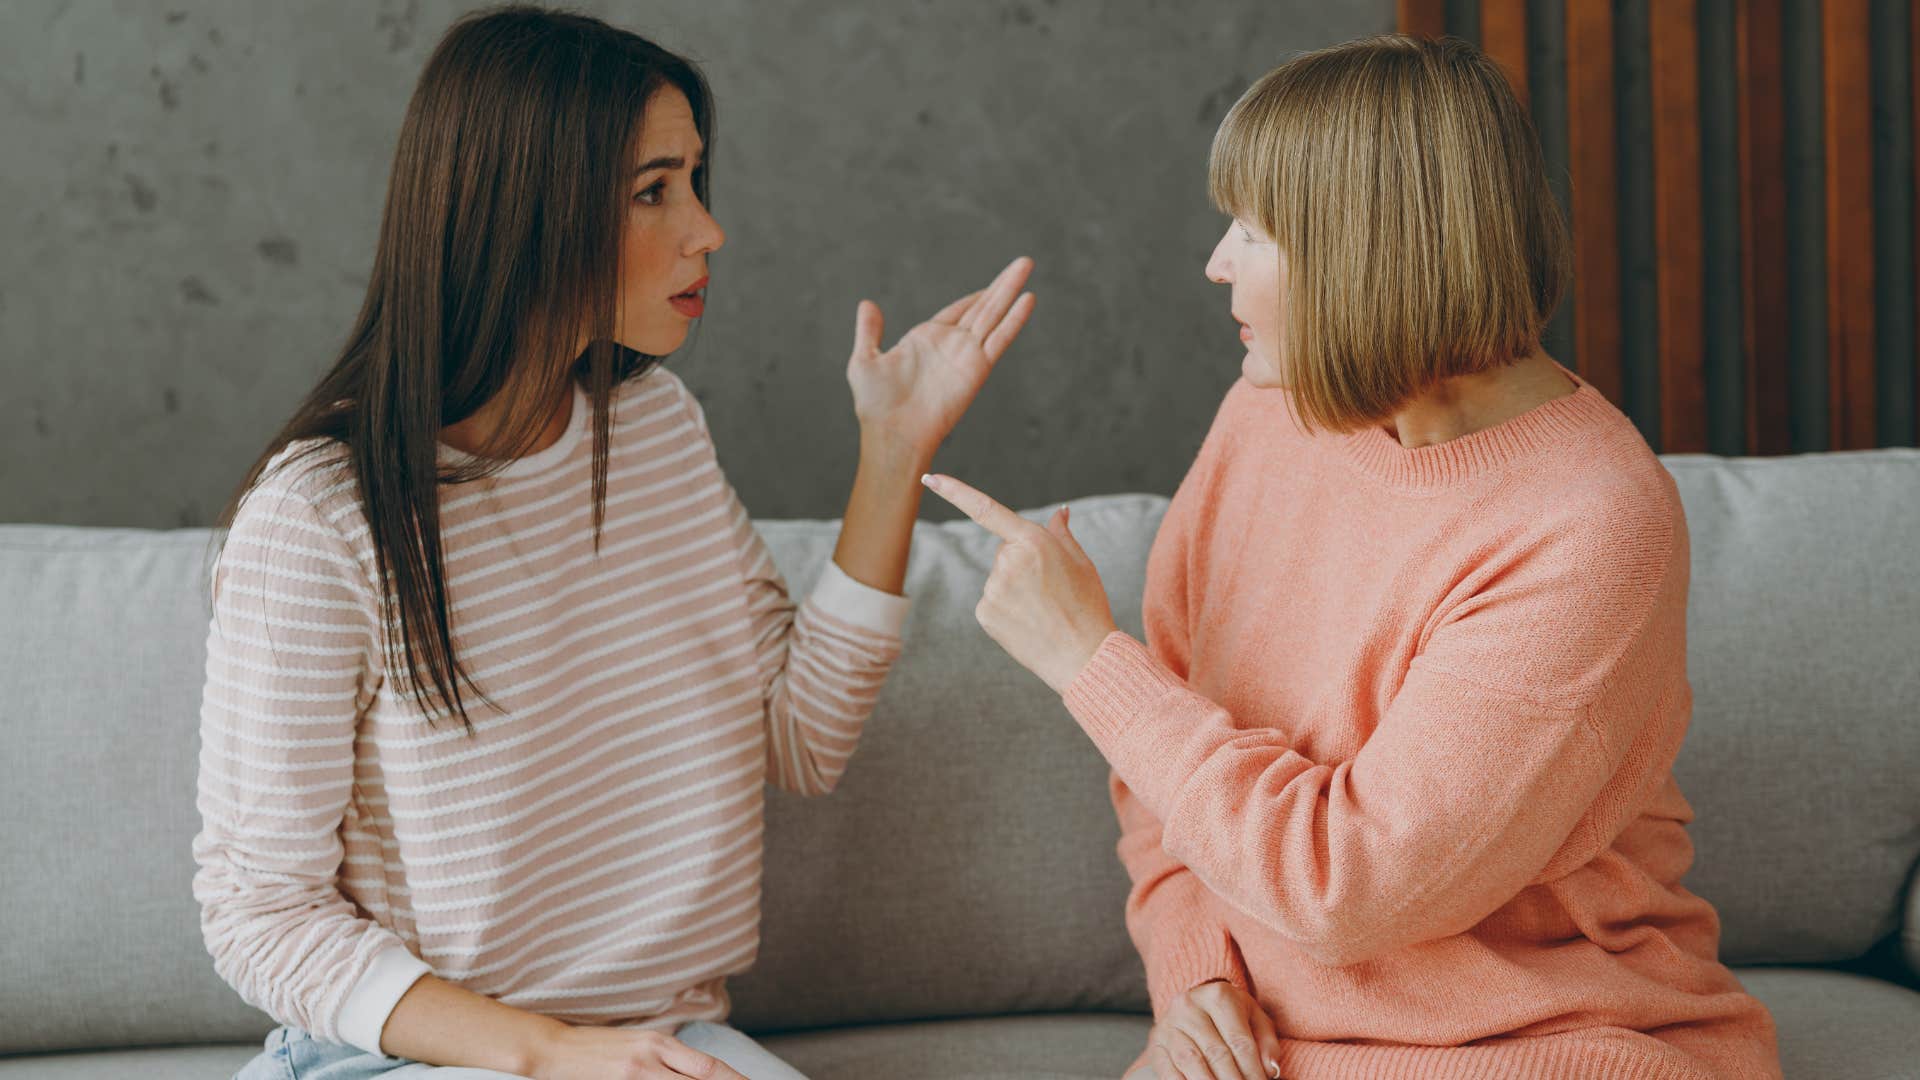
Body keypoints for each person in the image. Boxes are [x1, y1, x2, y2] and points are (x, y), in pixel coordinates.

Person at [924, 33, 1783, 1080]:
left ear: (1365, 247)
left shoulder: (1592, 524)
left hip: (1545, 1048)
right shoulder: (1268, 416)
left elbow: (1349, 887)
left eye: (1254, 229)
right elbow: (1162, 772)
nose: (1216, 263)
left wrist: (1086, 662)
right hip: (1262, 1046)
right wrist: (1196, 983)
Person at [195, 7, 1034, 1079]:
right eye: (653, 191)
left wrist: (893, 448)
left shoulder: (655, 431)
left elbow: (802, 737)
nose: (707, 229)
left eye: (695, 180)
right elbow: (259, 915)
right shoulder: (321, 517)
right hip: (401, 1057)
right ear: (523, 213)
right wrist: (551, 1056)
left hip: (662, 1047)